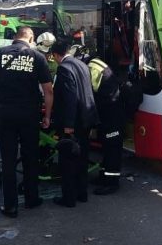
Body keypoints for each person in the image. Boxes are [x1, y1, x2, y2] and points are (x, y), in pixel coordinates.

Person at [0, 26, 53, 218]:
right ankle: (31, 198)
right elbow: (48, 90)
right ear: (31, 38)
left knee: (8, 159)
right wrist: (47, 116)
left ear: (15, 37)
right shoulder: (37, 57)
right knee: (30, 156)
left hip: (6, 112)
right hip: (29, 113)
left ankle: (10, 205)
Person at [51, 39, 99, 208]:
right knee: (83, 158)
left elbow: (70, 98)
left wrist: (68, 124)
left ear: (56, 55)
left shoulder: (64, 68)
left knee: (68, 161)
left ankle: (68, 198)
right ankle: (82, 193)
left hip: (73, 121)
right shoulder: (82, 65)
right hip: (86, 118)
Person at [88, 57, 125, 195]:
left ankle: (112, 183)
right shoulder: (96, 66)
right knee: (107, 148)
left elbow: (90, 95)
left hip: (113, 117)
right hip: (109, 116)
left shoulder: (92, 69)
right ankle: (104, 177)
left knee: (112, 151)